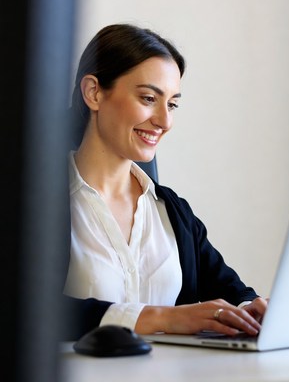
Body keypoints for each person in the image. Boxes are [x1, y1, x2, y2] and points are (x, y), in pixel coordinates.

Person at [63, 23, 267, 340]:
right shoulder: (35, 202)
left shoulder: (170, 210)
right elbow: (29, 308)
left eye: (171, 104)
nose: (165, 121)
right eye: (148, 98)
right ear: (94, 92)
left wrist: (252, 309)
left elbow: (232, 290)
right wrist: (163, 317)